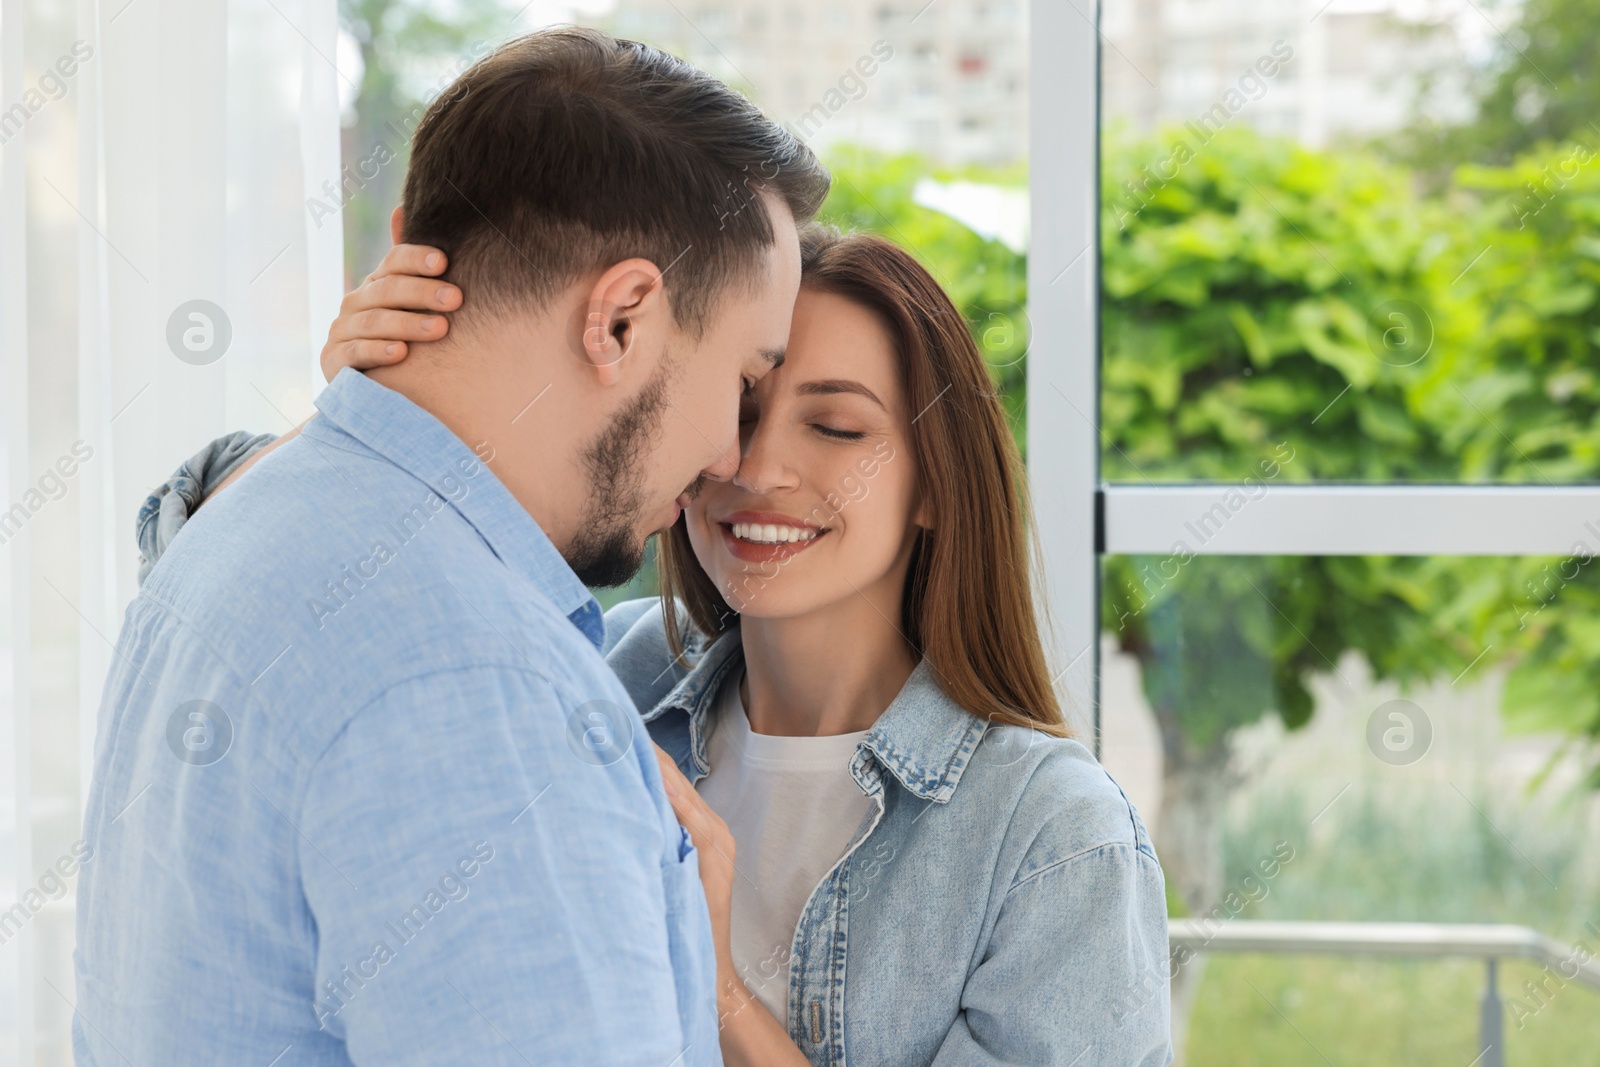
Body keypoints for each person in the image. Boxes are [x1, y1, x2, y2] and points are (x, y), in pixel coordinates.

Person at [146, 225, 1174, 1065]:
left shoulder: (1053, 838)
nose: (755, 465)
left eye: (838, 429)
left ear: (937, 489)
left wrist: (716, 980)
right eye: (740, 407)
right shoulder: (596, 669)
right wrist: (371, 409)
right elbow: (187, 536)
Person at [75, 27, 829, 1067]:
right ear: (619, 320)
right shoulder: (485, 683)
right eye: (745, 381)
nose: (728, 456)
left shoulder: (243, 531)